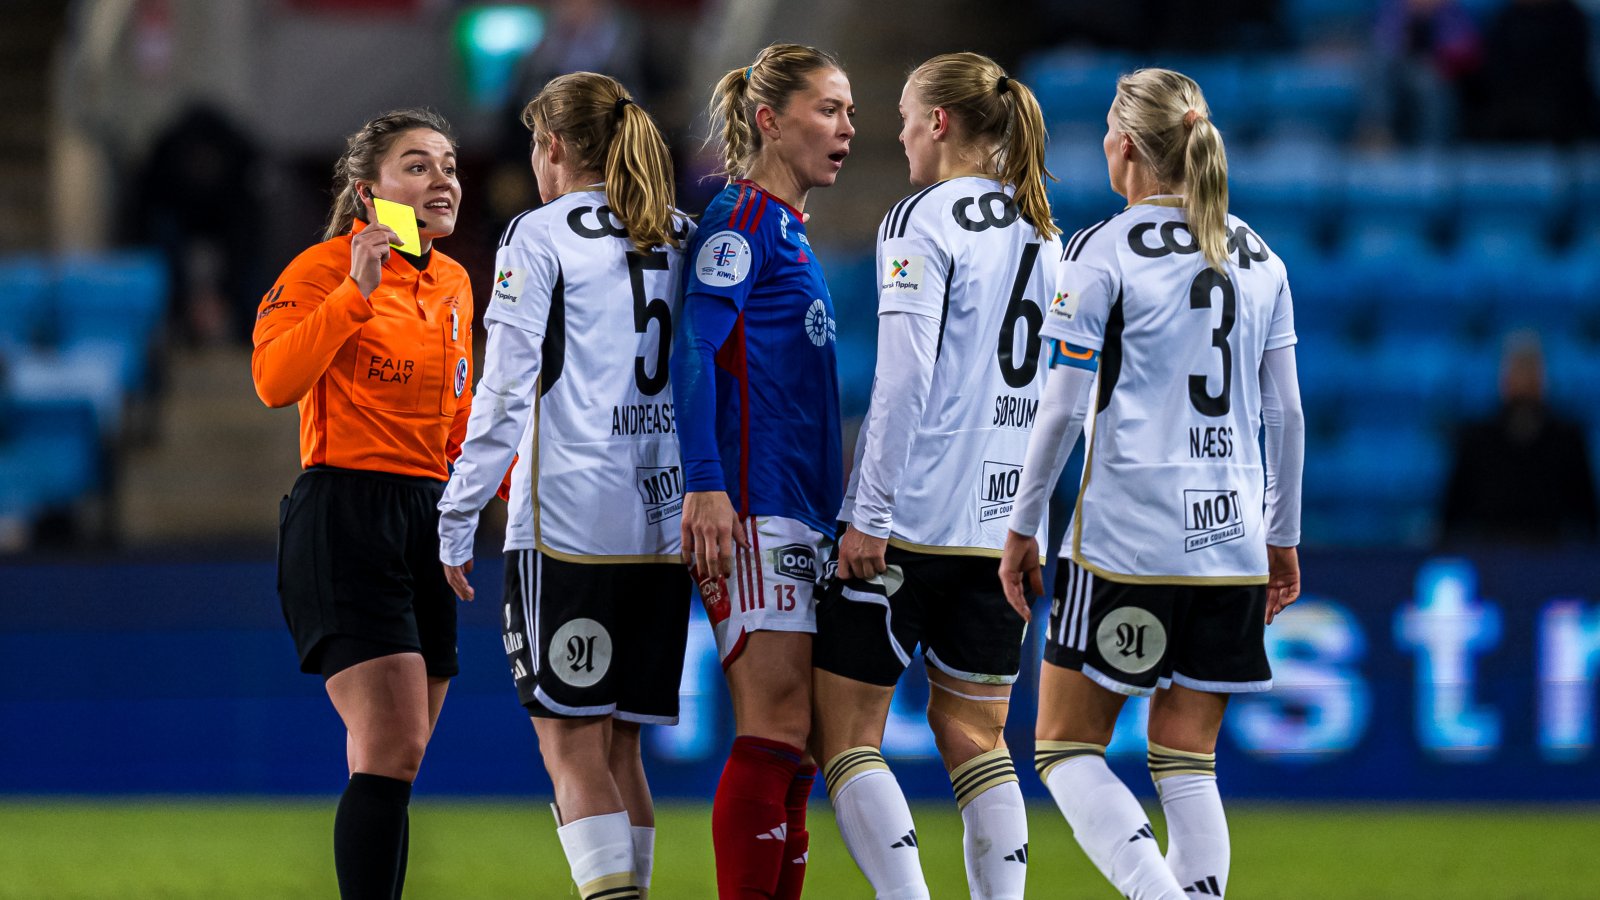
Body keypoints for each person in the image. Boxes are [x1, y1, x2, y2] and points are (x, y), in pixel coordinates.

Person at [999, 68, 1305, 900]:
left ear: (1126, 146)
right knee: (1186, 756)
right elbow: (1288, 416)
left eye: (1106, 128)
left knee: (1065, 746)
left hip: (1129, 537)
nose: (1102, 142)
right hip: (1232, 537)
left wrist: (1023, 526)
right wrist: (1283, 536)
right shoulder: (1259, 255)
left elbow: (1060, 410)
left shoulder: (1101, 248)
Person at [435, 72, 692, 900]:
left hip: (568, 525)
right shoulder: (678, 231)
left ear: (551, 147)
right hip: (663, 529)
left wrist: (457, 512)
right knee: (622, 751)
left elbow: (505, 392)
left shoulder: (538, 235)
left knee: (572, 749)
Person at [809, 52, 1060, 900]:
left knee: (843, 735)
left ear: (943, 123)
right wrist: (1035, 529)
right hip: (1000, 532)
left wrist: (866, 512)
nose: (903, 133)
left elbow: (905, 378)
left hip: (911, 518)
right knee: (978, 739)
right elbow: (1069, 399)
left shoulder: (921, 219)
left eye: (911, 117)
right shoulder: (1045, 233)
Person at [251, 108, 472, 899]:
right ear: (367, 192)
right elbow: (274, 383)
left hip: (426, 515)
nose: (441, 179)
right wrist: (354, 291)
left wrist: (484, 504)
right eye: (417, 166)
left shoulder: (452, 282)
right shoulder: (321, 270)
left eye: (447, 164)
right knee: (391, 743)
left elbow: (457, 421)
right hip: (345, 511)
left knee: (399, 759)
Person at [669, 42, 853, 900]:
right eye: (828, 109)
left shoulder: (785, 229)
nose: (846, 127)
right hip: (753, 506)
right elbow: (695, 346)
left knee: (800, 743)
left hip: (801, 511)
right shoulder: (740, 219)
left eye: (851, 112)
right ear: (769, 120)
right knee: (774, 728)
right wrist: (705, 481)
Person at [1441, 330, 1598, 545]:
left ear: (1544, 375)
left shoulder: (1567, 438)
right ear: (1502, 374)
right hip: (1490, 560)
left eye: (1531, 368)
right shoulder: (1477, 439)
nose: (1524, 379)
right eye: (1517, 367)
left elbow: (1587, 517)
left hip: (1553, 560)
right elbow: (1451, 518)